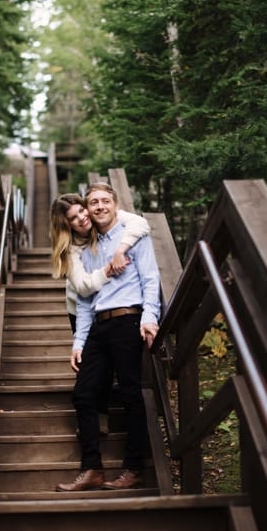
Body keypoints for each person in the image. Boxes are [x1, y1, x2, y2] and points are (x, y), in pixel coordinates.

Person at [55, 183, 161, 492]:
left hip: (128, 320)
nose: (99, 206)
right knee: (84, 394)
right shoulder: (87, 247)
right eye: (93, 202)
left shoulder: (134, 234)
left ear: (115, 204)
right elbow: (86, 301)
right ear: (87, 209)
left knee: (130, 393)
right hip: (98, 327)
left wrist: (150, 316)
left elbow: (151, 278)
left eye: (105, 201)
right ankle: (92, 469)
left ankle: (133, 468)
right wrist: (78, 343)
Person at [50, 193, 150, 434]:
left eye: (82, 210)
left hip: (112, 303)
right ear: (66, 225)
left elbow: (141, 223)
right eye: (74, 218)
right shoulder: (70, 249)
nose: (83, 218)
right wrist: (108, 269)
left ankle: (102, 411)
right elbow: (83, 287)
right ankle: (96, 413)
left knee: (112, 363)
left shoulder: (100, 217)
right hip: (81, 307)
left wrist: (121, 249)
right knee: (92, 364)